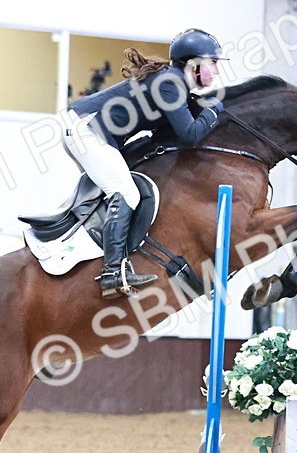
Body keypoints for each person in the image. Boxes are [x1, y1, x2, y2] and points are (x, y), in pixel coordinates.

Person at [64, 28, 226, 299]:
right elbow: (189, 135)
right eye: (213, 62)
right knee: (126, 193)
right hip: (86, 131)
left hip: (91, 130)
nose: (217, 70)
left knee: (122, 187)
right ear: (194, 64)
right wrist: (212, 111)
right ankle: (112, 274)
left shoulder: (174, 82)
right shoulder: (171, 83)